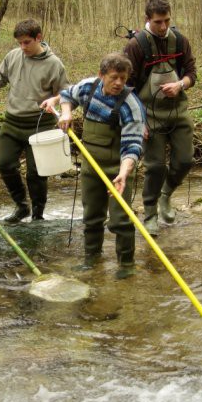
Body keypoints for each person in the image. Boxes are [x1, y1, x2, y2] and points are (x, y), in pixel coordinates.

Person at [53, 53, 146, 279]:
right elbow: (66, 95)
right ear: (101, 75)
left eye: (123, 79)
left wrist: (124, 174)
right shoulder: (88, 88)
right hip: (90, 167)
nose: (118, 83)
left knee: (120, 220)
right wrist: (66, 112)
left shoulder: (131, 106)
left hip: (119, 170)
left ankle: (126, 264)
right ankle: (91, 258)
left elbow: (133, 146)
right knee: (92, 216)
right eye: (114, 77)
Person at [0, 19, 68, 223]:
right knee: (5, 165)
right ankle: (22, 206)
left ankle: (38, 215)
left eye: (27, 42)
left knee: (36, 174)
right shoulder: (13, 56)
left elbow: (64, 93)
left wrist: (54, 99)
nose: (22, 47)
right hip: (13, 122)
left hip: (40, 124)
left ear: (38, 38)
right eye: (20, 43)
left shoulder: (54, 64)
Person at [123, 0, 197, 236]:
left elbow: (192, 73)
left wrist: (180, 85)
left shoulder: (180, 41)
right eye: (158, 22)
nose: (163, 27)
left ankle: (166, 195)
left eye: (166, 20)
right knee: (155, 166)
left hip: (178, 112)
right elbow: (126, 88)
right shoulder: (136, 46)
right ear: (147, 19)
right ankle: (150, 213)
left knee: (184, 161)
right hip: (149, 116)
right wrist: (137, 120)